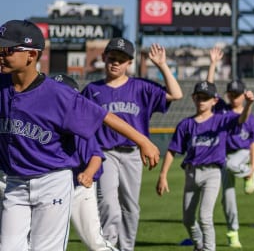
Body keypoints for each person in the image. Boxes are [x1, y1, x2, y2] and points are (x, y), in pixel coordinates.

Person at [0, 20, 160, 251]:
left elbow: (103, 115)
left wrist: (143, 141)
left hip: (51, 181)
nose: (2, 55)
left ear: (31, 55)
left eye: (8, 50)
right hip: (15, 182)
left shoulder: (57, 94)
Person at [83, 37, 184, 251]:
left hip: (132, 153)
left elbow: (176, 94)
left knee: (130, 206)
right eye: (112, 58)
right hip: (105, 153)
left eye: (122, 59)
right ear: (103, 58)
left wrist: (162, 65)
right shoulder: (92, 90)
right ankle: (108, 246)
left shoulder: (141, 87)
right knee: (108, 204)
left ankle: (126, 248)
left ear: (130, 63)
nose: (116, 62)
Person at [158, 81, 254, 251]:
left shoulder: (222, 120)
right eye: (199, 97)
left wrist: (249, 104)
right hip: (191, 173)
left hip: (212, 173)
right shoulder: (186, 124)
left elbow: (241, 119)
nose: (202, 101)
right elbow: (173, 150)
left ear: (214, 101)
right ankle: (199, 244)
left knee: (205, 217)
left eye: (206, 98)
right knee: (188, 219)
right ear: (193, 98)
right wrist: (163, 175)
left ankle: (209, 249)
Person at [51, 74, 119, 251]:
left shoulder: (78, 127)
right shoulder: (41, 121)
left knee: (95, 242)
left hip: (77, 189)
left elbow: (96, 156)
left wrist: (88, 173)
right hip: (48, 189)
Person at [206, 46, 254, 248]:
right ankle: (232, 233)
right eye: (231, 93)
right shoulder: (221, 108)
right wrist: (212, 64)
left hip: (242, 154)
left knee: (231, 164)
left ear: (243, 95)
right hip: (223, 155)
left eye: (237, 94)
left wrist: (252, 168)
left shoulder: (248, 115)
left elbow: (251, 139)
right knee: (227, 198)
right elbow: (208, 88)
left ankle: (247, 174)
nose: (233, 97)